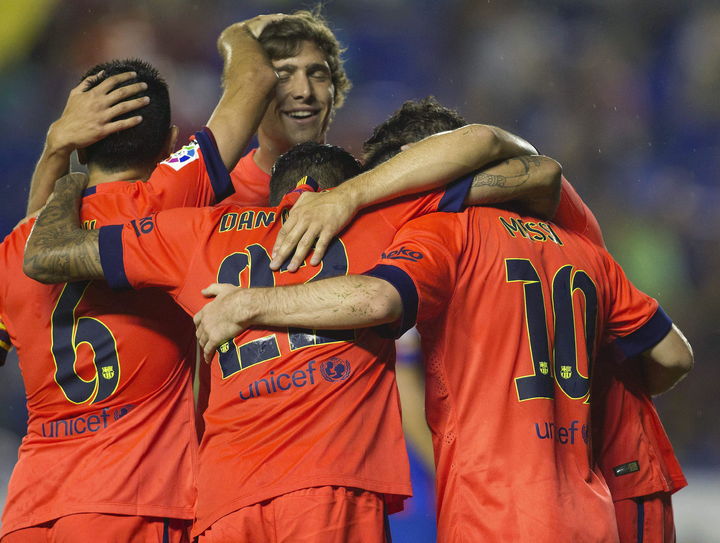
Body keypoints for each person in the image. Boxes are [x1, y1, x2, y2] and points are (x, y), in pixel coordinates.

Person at [23, 123, 562, 541]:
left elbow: (46, 254)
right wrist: (359, 196)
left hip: (224, 502)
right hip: (333, 485)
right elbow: (533, 168)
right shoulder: (385, 216)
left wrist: (68, 171)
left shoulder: (197, 233)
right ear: (338, 189)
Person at [264, 97, 691, 543]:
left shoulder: (445, 232)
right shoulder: (574, 235)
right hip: (596, 498)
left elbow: (378, 302)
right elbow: (674, 357)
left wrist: (249, 304)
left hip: (502, 507)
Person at [0, 15, 280, 542]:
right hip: (132, 502)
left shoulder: (15, 246)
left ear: (83, 144)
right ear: (170, 143)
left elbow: (36, 226)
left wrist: (56, 145)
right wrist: (238, 34)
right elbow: (255, 82)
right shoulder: (168, 201)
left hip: (30, 511)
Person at [223, 7, 351, 206]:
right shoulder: (215, 197)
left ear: (335, 89)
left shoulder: (364, 186)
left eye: (317, 75)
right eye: (282, 77)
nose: (304, 91)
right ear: (252, 94)